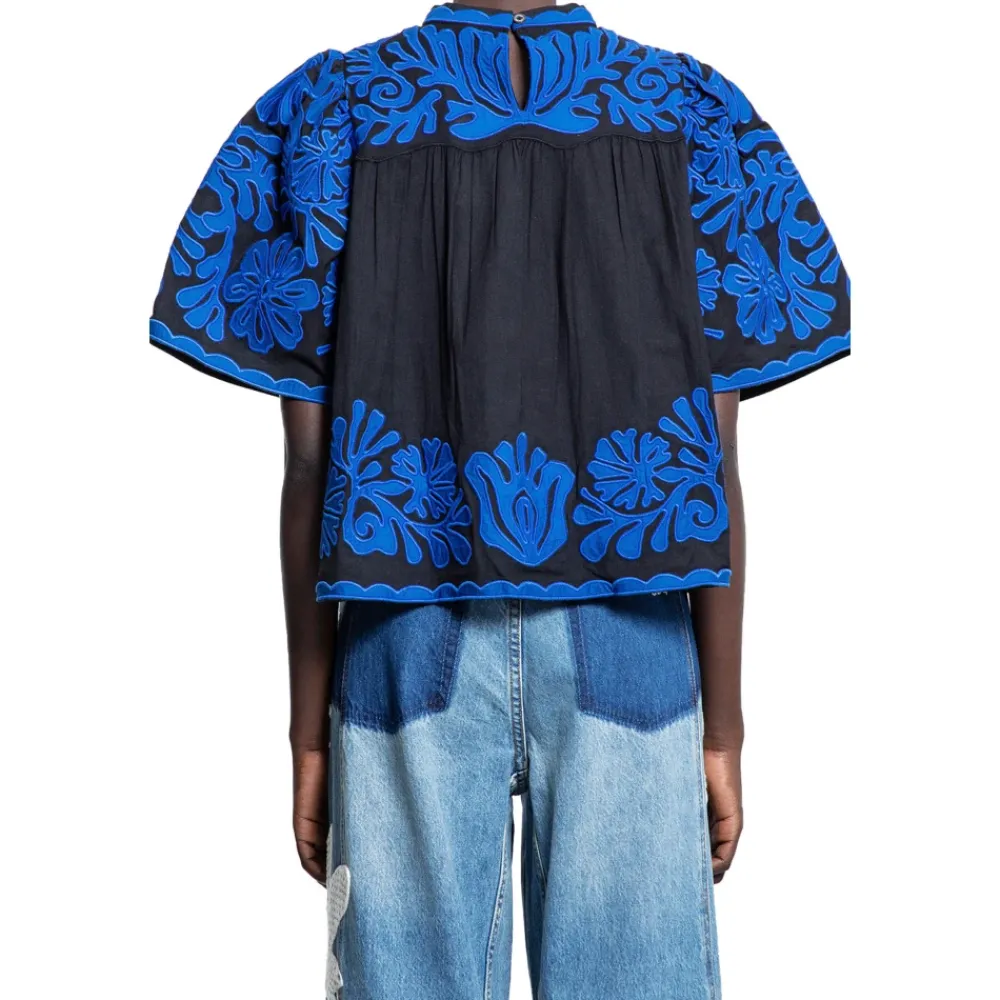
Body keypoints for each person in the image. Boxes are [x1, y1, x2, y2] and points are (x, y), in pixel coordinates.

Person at [149, 2, 850, 997]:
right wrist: (723, 727)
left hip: (404, 632)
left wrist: (307, 729)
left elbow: (308, 463)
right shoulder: (686, 112)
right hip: (632, 632)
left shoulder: (340, 111)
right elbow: (718, 451)